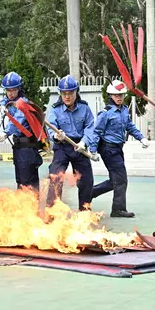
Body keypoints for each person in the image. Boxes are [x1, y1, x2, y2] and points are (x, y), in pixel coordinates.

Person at [89, 80, 150, 218]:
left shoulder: (124, 110)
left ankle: (90, 193)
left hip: (118, 148)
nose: (119, 97)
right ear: (110, 95)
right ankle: (118, 209)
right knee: (121, 179)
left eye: (121, 95)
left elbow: (130, 126)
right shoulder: (106, 113)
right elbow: (97, 131)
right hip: (108, 149)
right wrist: (93, 150)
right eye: (116, 95)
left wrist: (141, 138)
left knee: (114, 181)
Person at [45, 75, 96, 211]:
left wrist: (84, 142)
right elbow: (50, 129)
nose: (67, 96)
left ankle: (85, 211)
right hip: (62, 147)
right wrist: (56, 136)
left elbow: (90, 127)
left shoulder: (85, 108)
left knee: (86, 181)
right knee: (55, 177)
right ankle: (52, 212)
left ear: (76, 92)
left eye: (70, 93)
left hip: (79, 147)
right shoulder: (55, 110)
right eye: (64, 93)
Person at [0, 72, 43, 192]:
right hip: (19, 147)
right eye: (8, 90)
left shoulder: (23, 103)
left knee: (27, 183)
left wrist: (6, 133)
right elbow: (4, 101)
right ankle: (23, 208)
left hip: (27, 148)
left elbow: (17, 121)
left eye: (13, 90)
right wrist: (1, 106)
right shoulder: (10, 101)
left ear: (19, 89)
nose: (10, 93)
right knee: (21, 181)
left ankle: (31, 209)